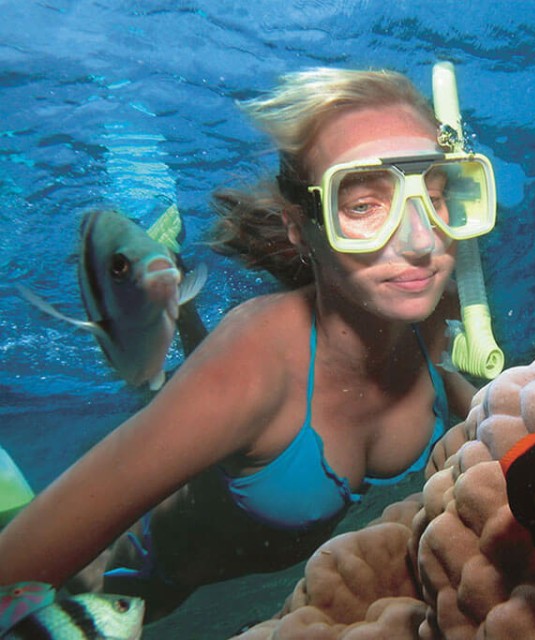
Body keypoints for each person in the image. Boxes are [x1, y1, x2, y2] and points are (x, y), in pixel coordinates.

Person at [0, 67, 496, 621]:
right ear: (298, 227)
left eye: (435, 196)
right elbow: (16, 562)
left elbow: (468, 405)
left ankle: (186, 305)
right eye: (362, 206)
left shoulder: (429, 311)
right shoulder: (249, 367)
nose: (423, 240)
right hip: (132, 576)